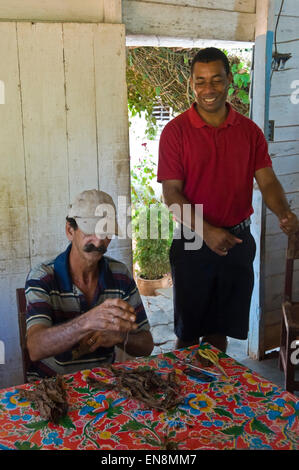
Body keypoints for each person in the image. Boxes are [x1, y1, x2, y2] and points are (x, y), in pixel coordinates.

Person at [157, 47, 298, 353]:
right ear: (191, 83)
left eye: (216, 80)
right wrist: (207, 232)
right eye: (201, 81)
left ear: (230, 80)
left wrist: (284, 212)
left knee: (219, 333)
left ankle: (214, 397)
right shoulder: (175, 132)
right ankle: (188, 396)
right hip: (193, 240)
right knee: (188, 334)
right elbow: (171, 194)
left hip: (237, 240)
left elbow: (268, 181)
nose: (209, 89)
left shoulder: (249, 132)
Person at [25, 189, 154, 376]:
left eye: (106, 231)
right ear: (70, 230)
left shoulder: (120, 275)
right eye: (91, 231)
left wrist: (119, 337)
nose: (99, 240)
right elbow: (35, 348)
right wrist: (88, 321)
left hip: (104, 384)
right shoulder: (43, 276)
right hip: (52, 387)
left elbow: (147, 345)